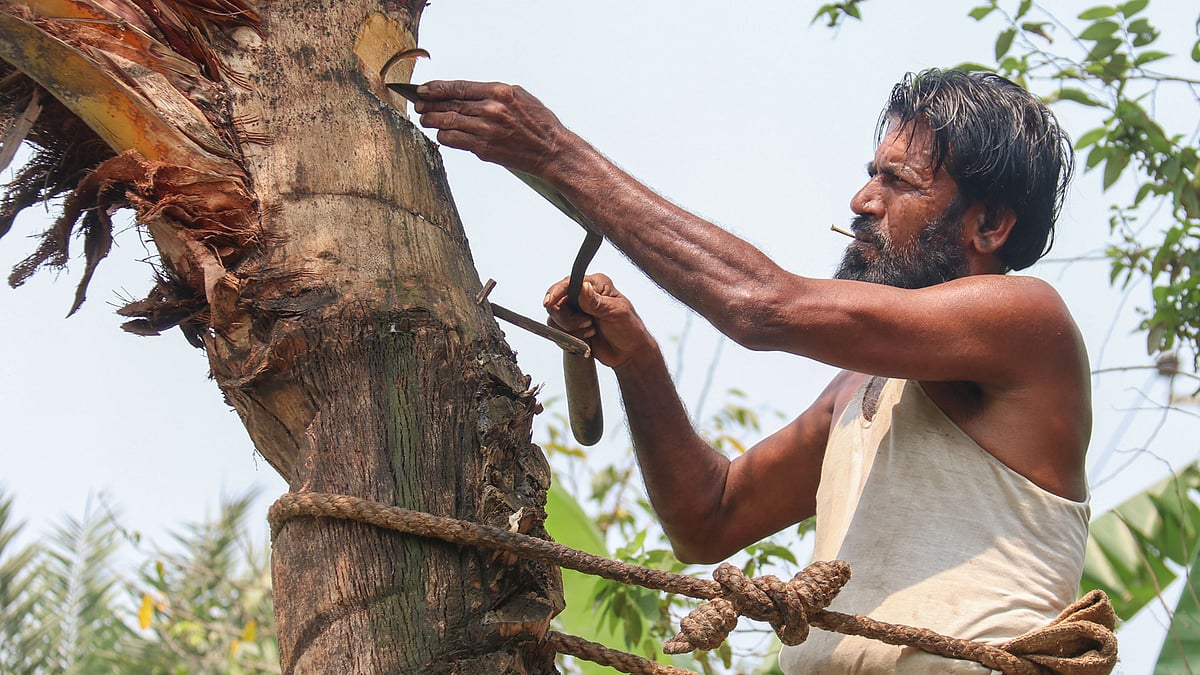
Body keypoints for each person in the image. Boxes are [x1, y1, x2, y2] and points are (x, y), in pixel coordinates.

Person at [414, 69, 1091, 673]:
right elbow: (709, 517)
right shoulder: (861, 392)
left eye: (897, 181)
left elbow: (762, 305)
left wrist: (554, 152)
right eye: (870, 172)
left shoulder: (1027, 320)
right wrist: (638, 360)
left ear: (991, 224)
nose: (861, 200)